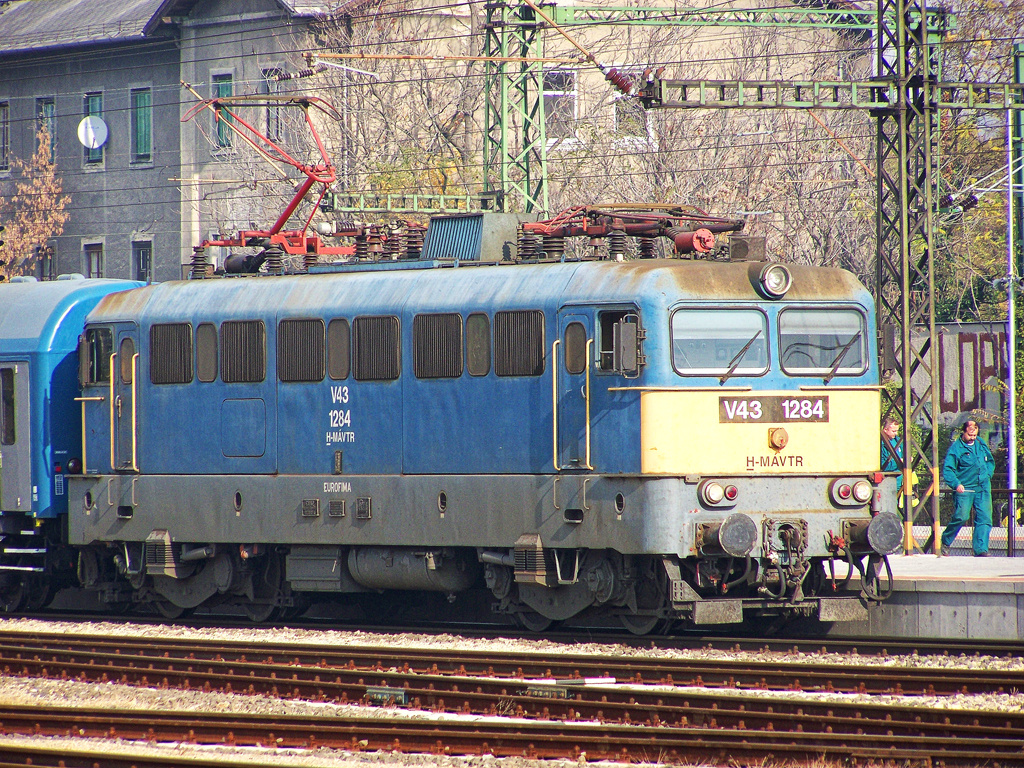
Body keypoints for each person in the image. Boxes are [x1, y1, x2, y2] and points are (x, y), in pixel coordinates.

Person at [940, 419, 995, 557]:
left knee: (985, 517)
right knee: (961, 516)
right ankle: (946, 541)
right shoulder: (956, 448)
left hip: (982, 487)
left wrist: (988, 474)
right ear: (963, 432)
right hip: (965, 488)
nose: (973, 437)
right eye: (970, 435)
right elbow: (948, 469)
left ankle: (981, 549)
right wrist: (956, 484)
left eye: (975, 434)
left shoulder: (981, 443)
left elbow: (990, 461)